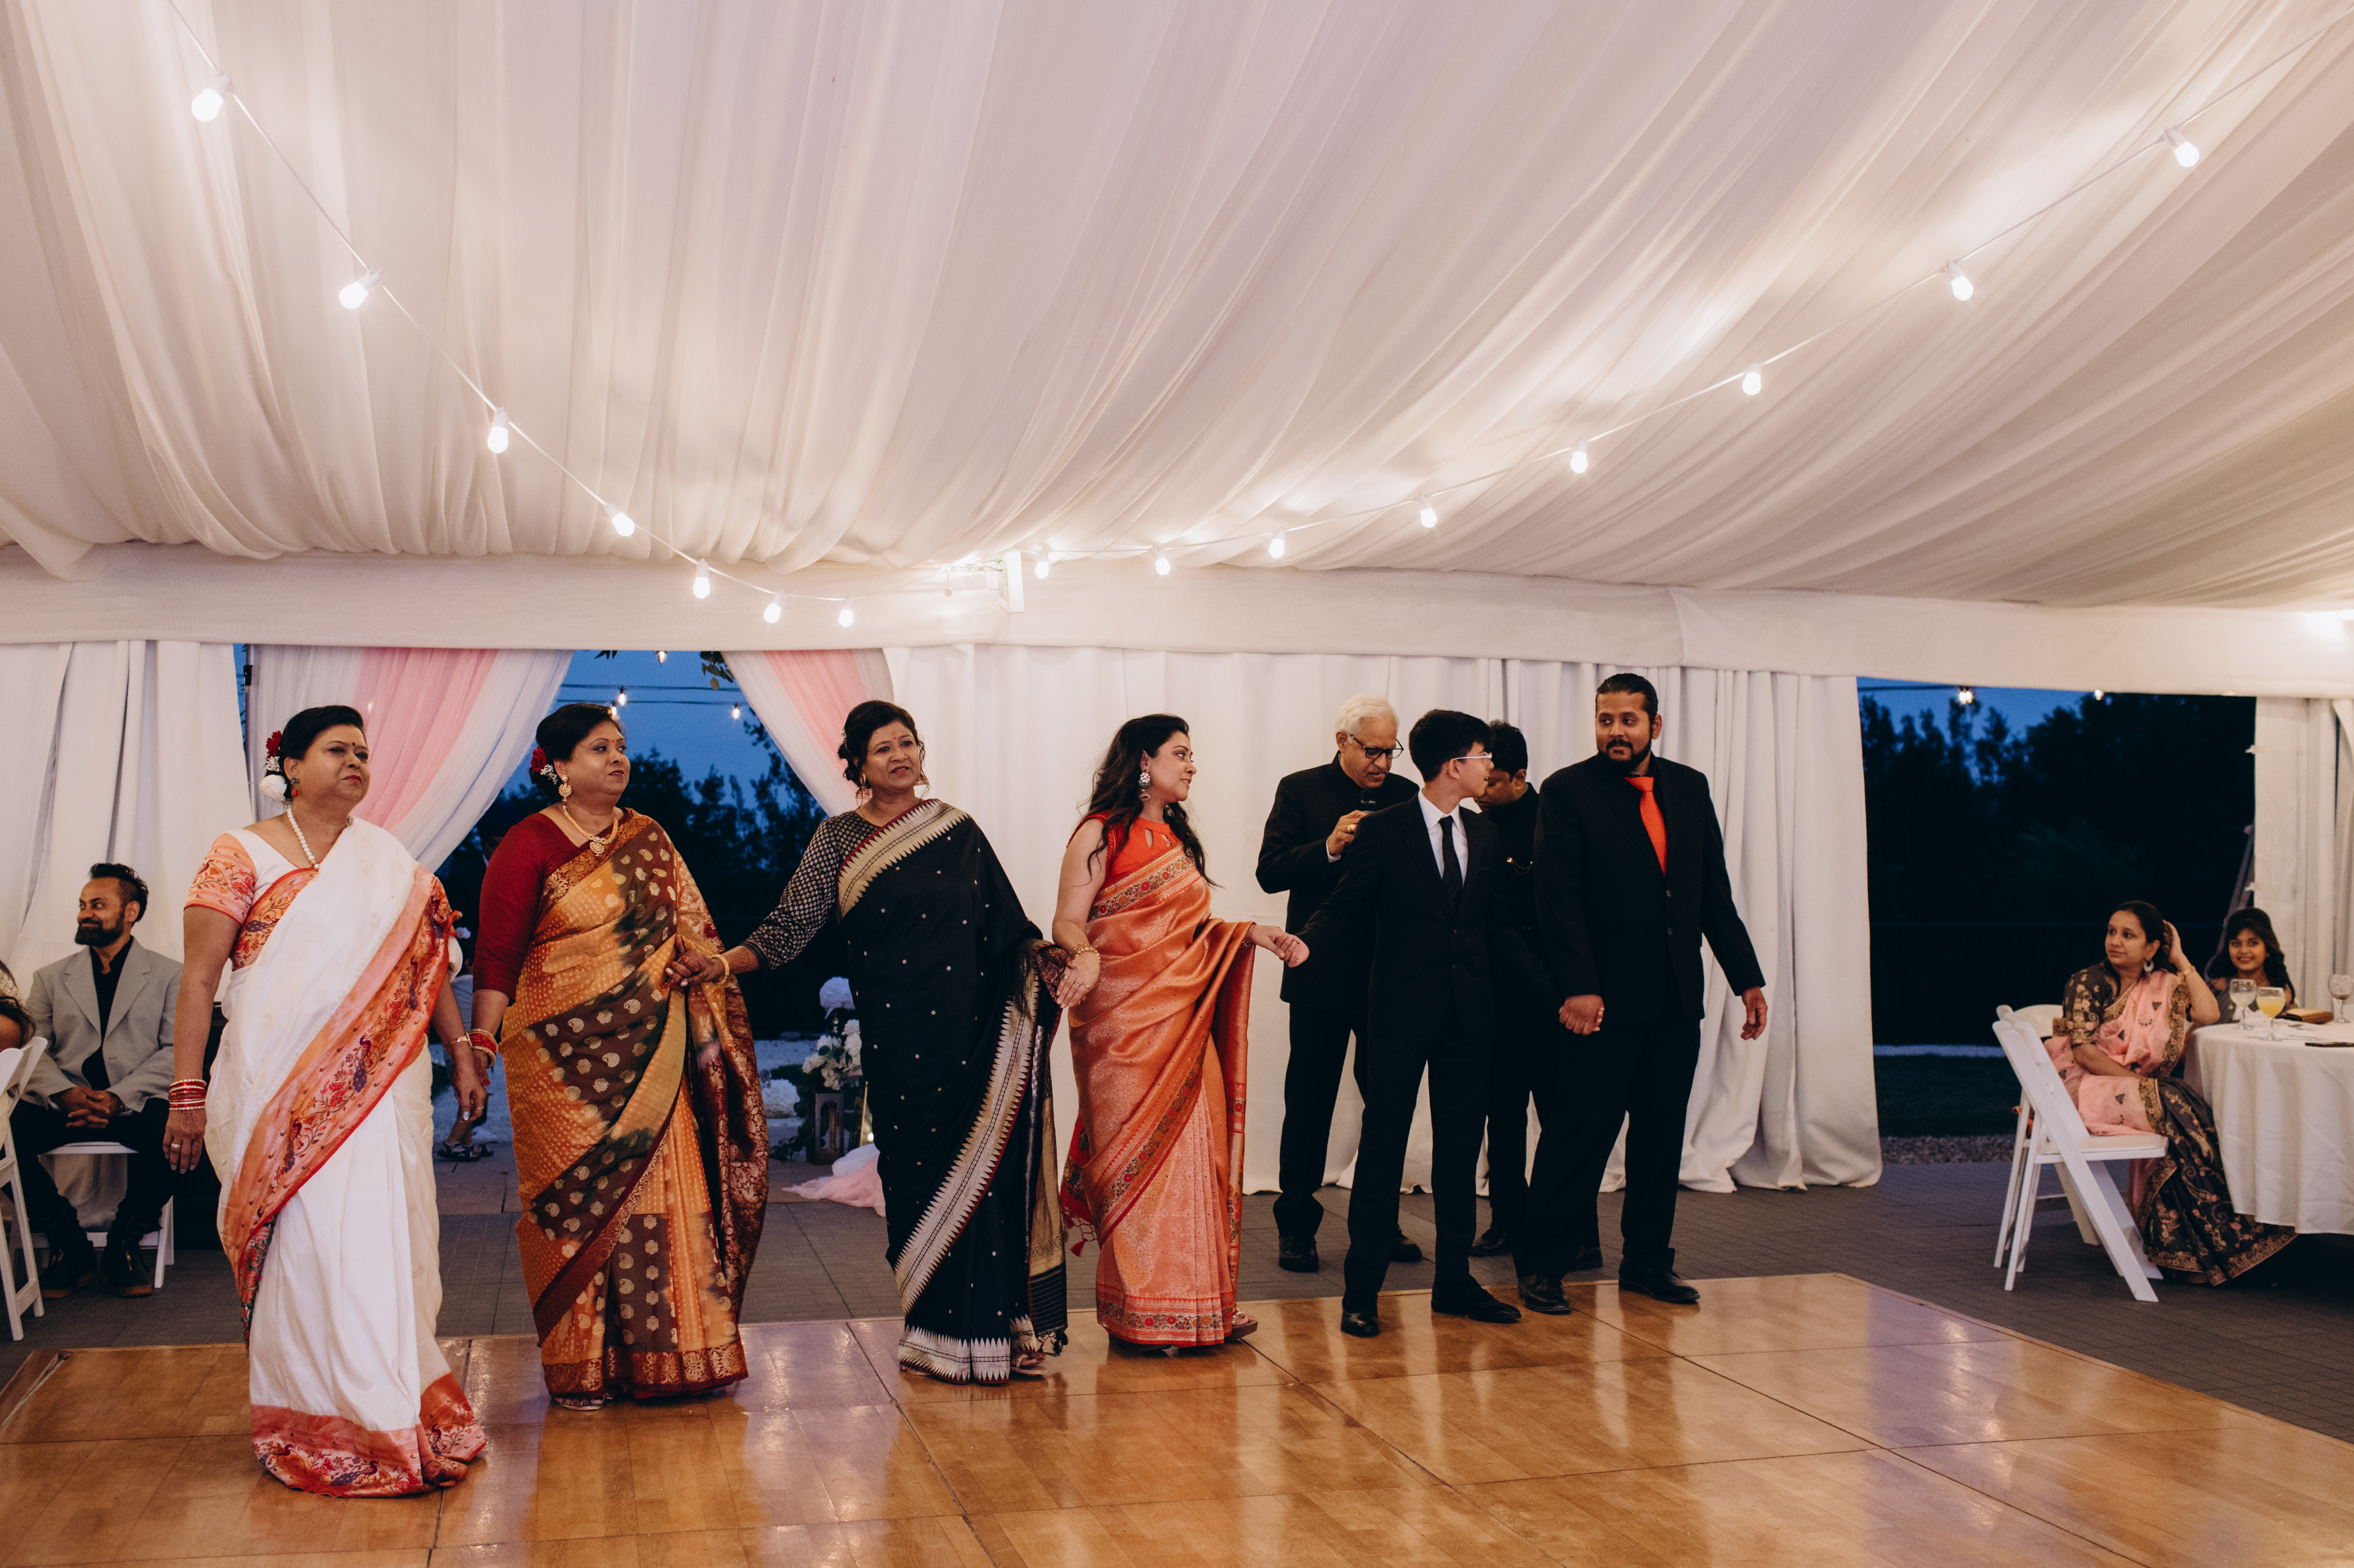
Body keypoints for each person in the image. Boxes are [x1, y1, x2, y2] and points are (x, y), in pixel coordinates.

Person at [167, 705, 488, 1495]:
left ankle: (393, 1408)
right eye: (337, 749)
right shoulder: (239, 852)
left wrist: (462, 1053)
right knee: (309, 1247)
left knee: (381, 1238)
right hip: (276, 1085)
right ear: (291, 766)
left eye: (363, 752)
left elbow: (429, 967)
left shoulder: (390, 862)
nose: (356, 762)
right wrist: (186, 1090)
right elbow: (200, 980)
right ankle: (320, 1419)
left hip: (381, 1087)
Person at [716, 701, 1065, 1385]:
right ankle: (933, 1335)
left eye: (908, 743)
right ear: (856, 765)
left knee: (989, 1176)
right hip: (902, 1039)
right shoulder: (838, 840)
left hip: (975, 1036)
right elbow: (791, 927)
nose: (900, 756)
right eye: (883, 748)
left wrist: (1047, 961)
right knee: (915, 1177)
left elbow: (1008, 929)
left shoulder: (958, 829)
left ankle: (1001, 1329)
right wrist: (722, 963)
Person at [468, 703, 766, 1411]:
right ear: (558, 768)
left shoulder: (650, 839)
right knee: (574, 1211)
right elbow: (498, 953)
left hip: (652, 1055)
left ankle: (673, 1355)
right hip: (559, 1067)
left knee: (664, 1200)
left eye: (621, 746)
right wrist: (479, 1039)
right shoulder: (528, 844)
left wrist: (700, 964)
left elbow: (692, 930)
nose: (617, 758)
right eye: (598, 748)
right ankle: (583, 1366)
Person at [1051, 716, 1308, 1350]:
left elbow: (1191, 934)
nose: (1192, 765)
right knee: (1139, 1169)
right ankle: (1140, 1314)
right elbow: (1067, 922)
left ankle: (1200, 1308)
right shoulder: (1099, 833)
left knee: (1200, 1158)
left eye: (1192, 755)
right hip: (1122, 1029)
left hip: (1185, 1027)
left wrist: (1253, 933)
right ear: (1144, 761)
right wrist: (1084, 956)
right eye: (1181, 754)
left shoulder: (1176, 838)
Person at [1519, 673, 1766, 1313]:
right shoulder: (1567, 791)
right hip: (1599, 1006)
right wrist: (1579, 988)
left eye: (1628, 720)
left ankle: (1648, 1265)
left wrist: (1746, 977)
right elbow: (1558, 900)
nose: (1616, 732)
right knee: (1578, 1137)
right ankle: (1541, 1265)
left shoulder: (1689, 787)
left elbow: (1711, 892)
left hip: (1673, 1002)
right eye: (1606, 720)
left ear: (1654, 725)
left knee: (1660, 1141)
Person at [1301, 710, 1541, 1339]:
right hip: (1399, 1016)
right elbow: (1346, 906)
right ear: (1454, 766)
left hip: (1469, 1018)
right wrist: (1306, 944)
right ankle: (1361, 1293)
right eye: (1483, 757)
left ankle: (1455, 1284)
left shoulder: (1483, 833)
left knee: (1459, 1155)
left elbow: (1498, 929)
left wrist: (1554, 995)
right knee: (1382, 1151)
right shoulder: (1385, 830)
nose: (1490, 766)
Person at [1255, 693, 1424, 1273]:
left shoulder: (1407, 796)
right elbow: (1270, 872)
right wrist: (1328, 847)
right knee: (1309, 1102)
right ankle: (1296, 1225)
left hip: (1388, 975)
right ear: (1341, 742)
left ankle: (1379, 1222)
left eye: (1389, 751)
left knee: (1387, 1104)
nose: (1381, 762)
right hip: (1320, 971)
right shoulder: (1300, 790)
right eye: (1371, 750)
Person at [2049, 901, 2293, 1284]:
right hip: (2086, 1089)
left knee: (2187, 1108)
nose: (2115, 942)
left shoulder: (2162, 982)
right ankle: (2222, 1242)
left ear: (2151, 948)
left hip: (2131, 1090)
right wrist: (2141, 1085)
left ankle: (2188, 1249)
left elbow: (2209, 1013)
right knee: (2178, 1104)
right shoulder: (2088, 982)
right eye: (2112, 932)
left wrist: (2181, 960)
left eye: (2128, 935)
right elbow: (2084, 1053)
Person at [13, 865, 184, 1297]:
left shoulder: (171, 975)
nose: (85, 913)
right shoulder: (50, 978)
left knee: (179, 1138)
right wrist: (64, 1094)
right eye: (83, 905)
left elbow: (176, 1050)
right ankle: (66, 1237)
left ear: (131, 912)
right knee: (3, 1137)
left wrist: (117, 1098)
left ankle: (125, 1240)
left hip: (135, 1102)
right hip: (64, 1104)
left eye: (98, 905)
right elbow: (33, 1048)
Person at [1469, 721, 1549, 1259]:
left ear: (1520, 777)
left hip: (1551, 997)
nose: (1482, 791)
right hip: (1496, 998)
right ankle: (1507, 1221)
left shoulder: (1553, 824)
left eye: (1493, 782)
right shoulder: (1477, 828)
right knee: (1501, 1117)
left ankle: (1574, 1231)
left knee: (1562, 1119)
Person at [2203, 907, 2295, 1012]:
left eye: (2253, 943)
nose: (2244, 951)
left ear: (2268, 950)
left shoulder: (2280, 995)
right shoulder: (2216, 987)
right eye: (2236, 944)